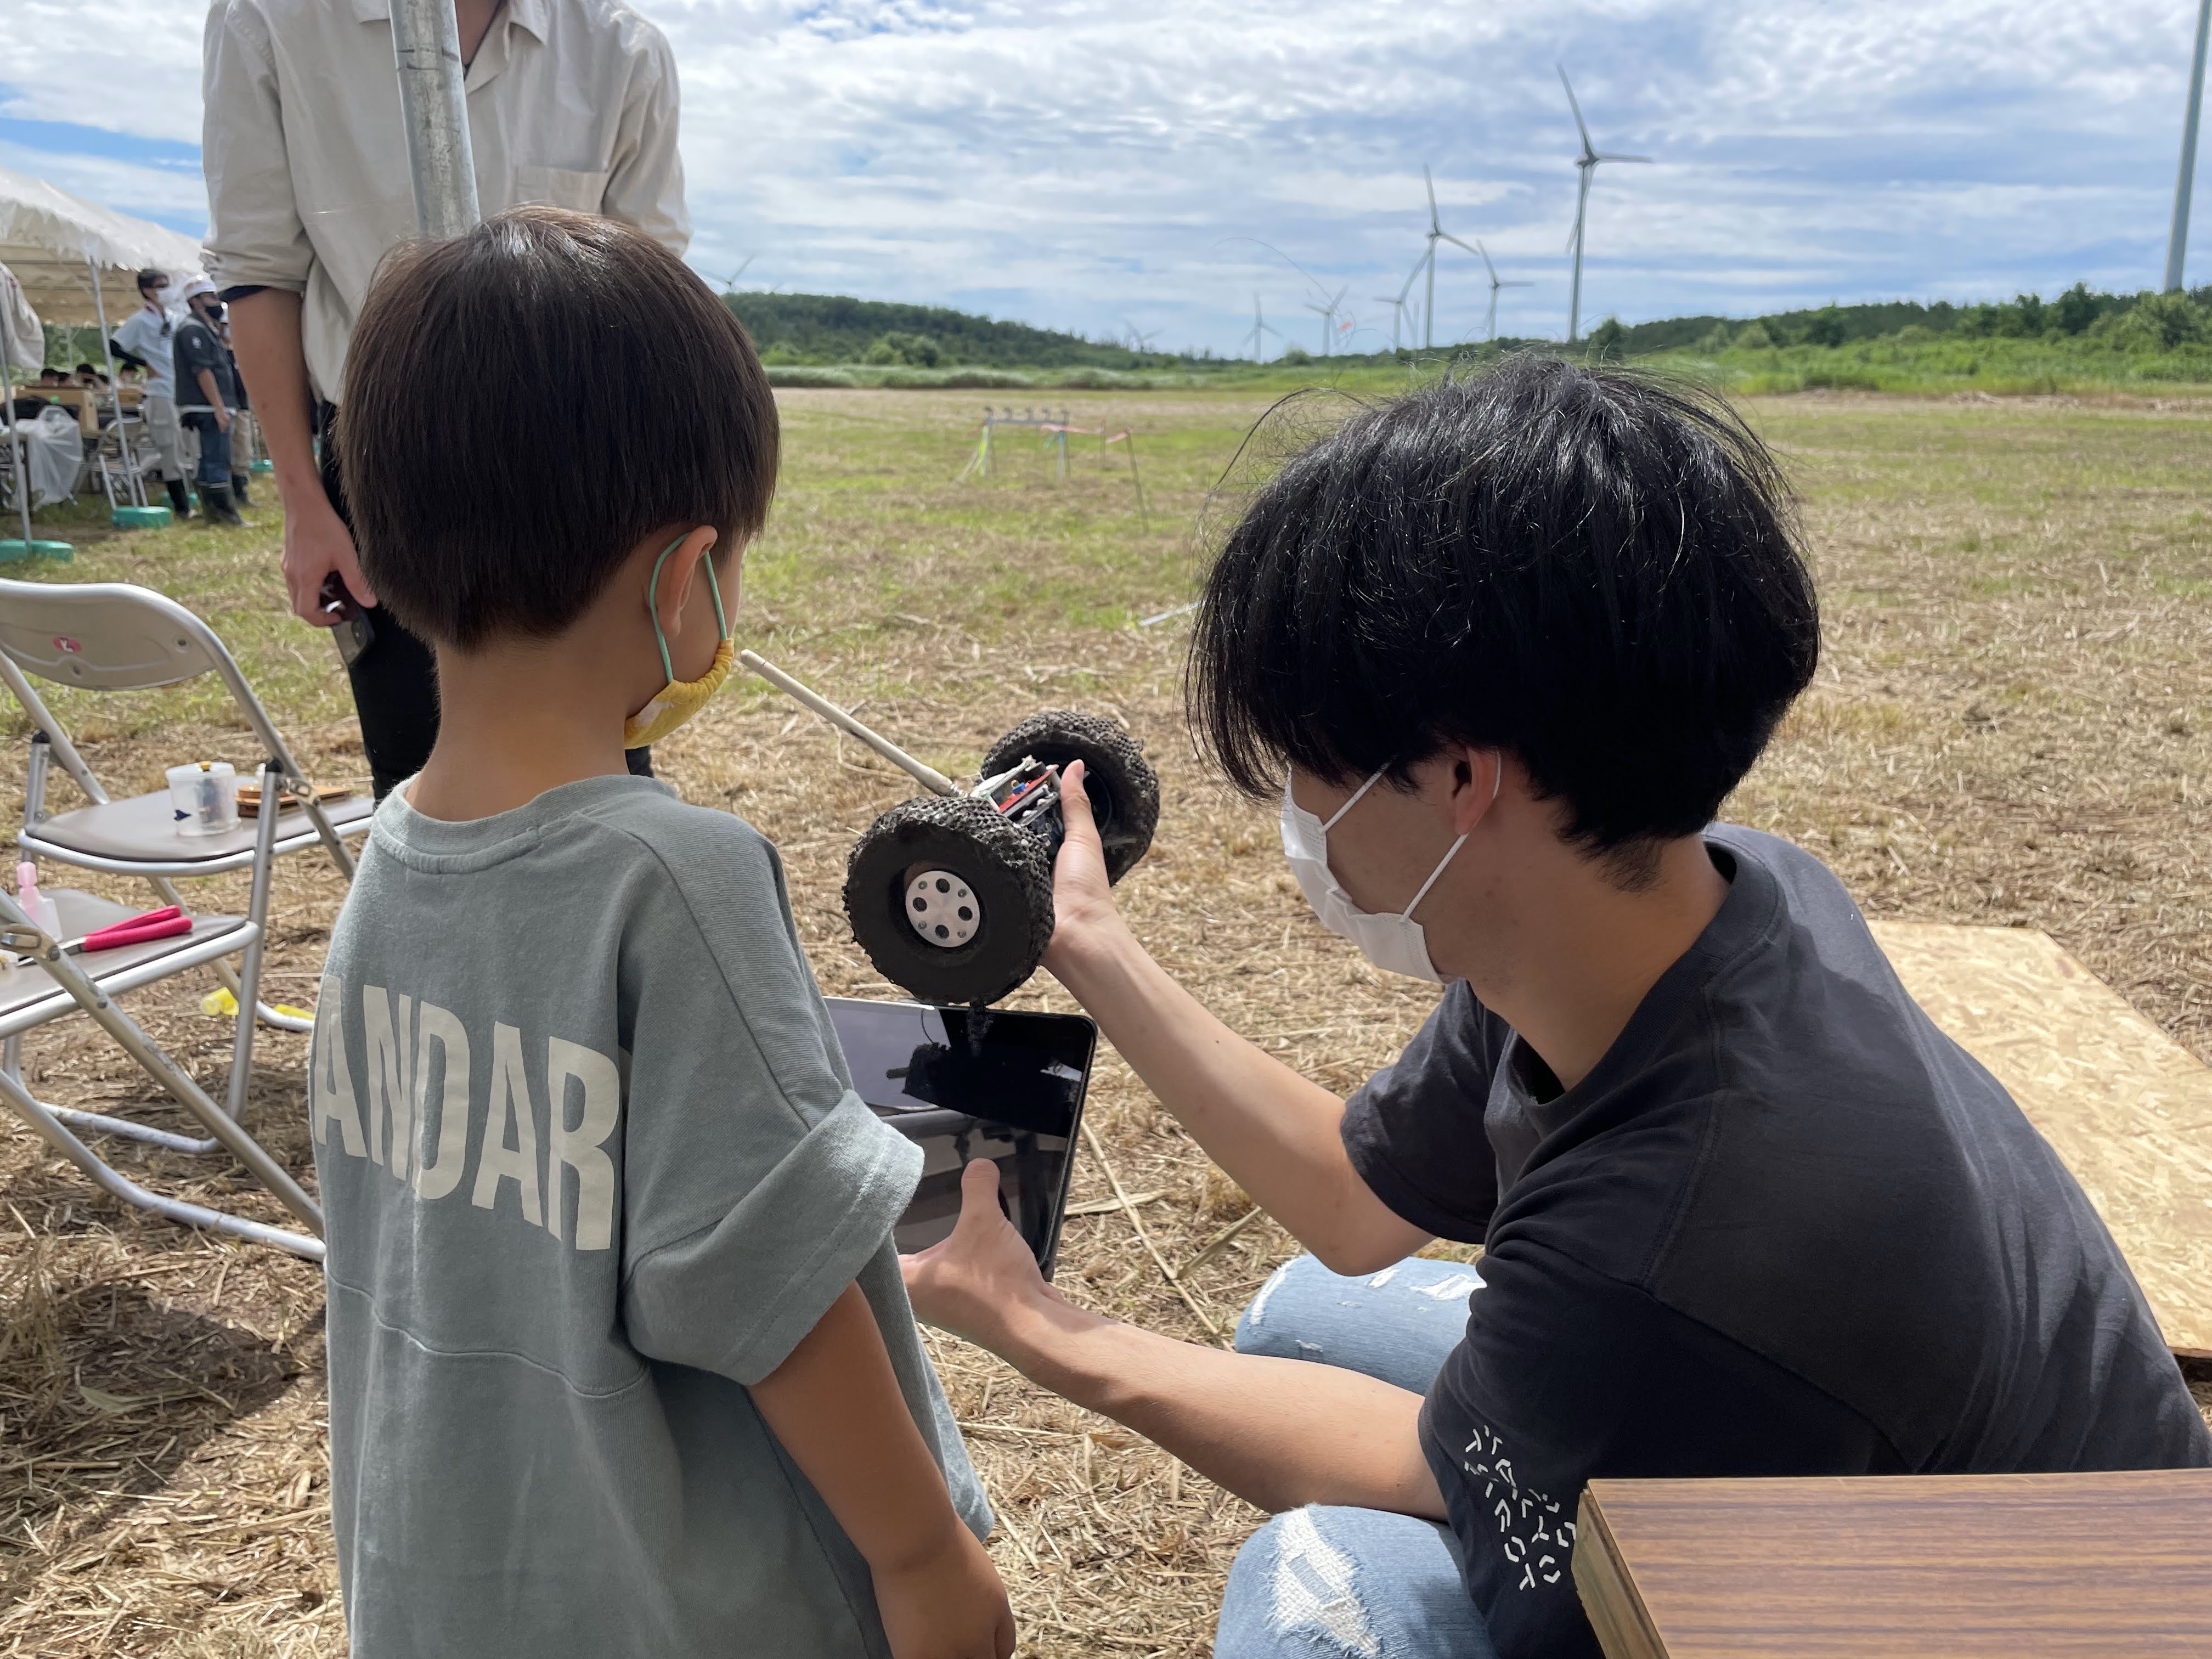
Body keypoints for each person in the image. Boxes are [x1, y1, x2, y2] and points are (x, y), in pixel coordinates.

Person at [903, 359, 2212, 1659]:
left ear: (1465, 775)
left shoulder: (1683, 1245)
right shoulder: (1670, 904)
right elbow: (1358, 1206)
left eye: (1312, 760)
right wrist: (1087, 942)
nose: (1298, 814)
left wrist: (1040, 1331)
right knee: (1306, 1314)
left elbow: (1435, 1472)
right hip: (1912, 1456)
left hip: (2027, 1607)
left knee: (1323, 1580)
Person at [309, 205, 1013, 1659]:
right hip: (685, 1610)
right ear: (683, 577)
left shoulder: (387, 865)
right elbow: (775, 1286)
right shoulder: (673, 877)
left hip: (454, 1592)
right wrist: (923, 1552)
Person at [204, 0, 689, 795]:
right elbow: (259, 269)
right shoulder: (272, 18)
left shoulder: (621, 47)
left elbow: (652, 279)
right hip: (380, 448)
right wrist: (302, 499)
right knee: (420, 771)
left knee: (601, 764)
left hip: (577, 452)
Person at [110, 267, 190, 521]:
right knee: (170, 448)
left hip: (181, 390)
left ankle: (190, 498)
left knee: (186, 447)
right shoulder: (139, 320)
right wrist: (143, 364)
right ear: (146, 290)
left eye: (167, 284)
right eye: (160, 285)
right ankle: (182, 507)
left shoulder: (175, 317)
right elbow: (114, 346)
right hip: (160, 391)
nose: (165, 290)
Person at [173, 279, 245, 527]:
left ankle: (213, 513)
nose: (217, 302)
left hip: (211, 405)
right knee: (218, 458)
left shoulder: (206, 328)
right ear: (195, 301)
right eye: (210, 297)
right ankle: (226, 516)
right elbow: (202, 370)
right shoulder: (192, 329)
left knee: (209, 458)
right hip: (207, 406)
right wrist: (219, 408)